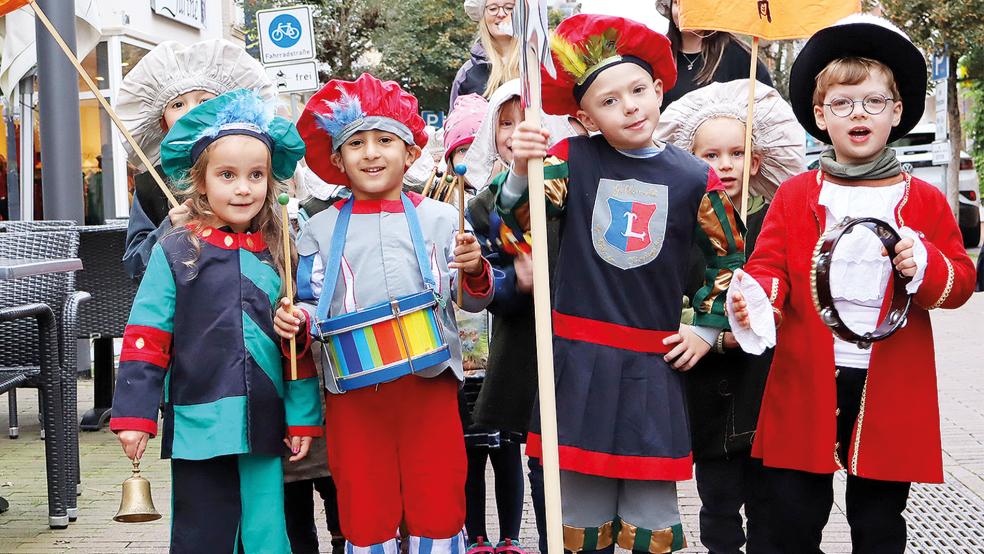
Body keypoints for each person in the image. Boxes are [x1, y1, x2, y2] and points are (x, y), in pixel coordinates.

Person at [495, 14, 746, 552]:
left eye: (636, 90)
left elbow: (729, 257)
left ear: (658, 89)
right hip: (576, 363)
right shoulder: (570, 161)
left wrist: (705, 327)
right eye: (608, 101)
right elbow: (518, 225)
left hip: (650, 369)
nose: (629, 106)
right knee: (578, 515)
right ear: (583, 117)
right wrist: (522, 168)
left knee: (649, 516)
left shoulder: (693, 177)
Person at [727, 15, 977, 552]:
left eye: (872, 101)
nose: (857, 113)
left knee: (880, 524)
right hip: (806, 375)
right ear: (821, 115)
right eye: (841, 103)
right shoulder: (795, 196)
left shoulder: (925, 200)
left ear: (897, 112)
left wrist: (926, 264)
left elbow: (960, 281)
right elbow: (770, 268)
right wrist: (756, 300)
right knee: (790, 519)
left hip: (889, 380)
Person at [278, 73, 495, 554]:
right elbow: (314, 302)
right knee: (364, 504)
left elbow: (471, 301)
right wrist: (298, 320)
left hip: (430, 387)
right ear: (337, 159)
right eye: (356, 143)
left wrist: (476, 268)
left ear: (411, 152)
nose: (371, 153)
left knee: (437, 500)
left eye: (384, 140)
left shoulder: (442, 220)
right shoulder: (319, 228)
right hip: (355, 396)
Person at [110, 89, 324, 552]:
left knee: (267, 533)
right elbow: (146, 335)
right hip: (196, 423)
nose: (243, 187)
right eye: (227, 175)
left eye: (256, 175)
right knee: (202, 534)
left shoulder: (278, 252)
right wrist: (135, 415)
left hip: (264, 420)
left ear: (271, 181)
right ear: (201, 181)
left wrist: (302, 418)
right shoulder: (175, 252)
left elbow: (295, 348)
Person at [655, 79, 805, 553]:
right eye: (711, 155)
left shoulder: (775, 222)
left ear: (755, 161)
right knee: (718, 505)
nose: (725, 165)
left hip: (765, 387)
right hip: (710, 394)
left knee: (769, 505)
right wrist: (712, 332)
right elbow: (671, 299)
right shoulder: (681, 229)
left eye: (737, 154)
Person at [115, 39, 274, 279]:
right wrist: (168, 229)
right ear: (163, 123)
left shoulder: (253, 169)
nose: (192, 112)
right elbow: (135, 267)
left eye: (205, 101)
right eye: (178, 104)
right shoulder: (152, 185)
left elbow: (278, 239)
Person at [655, 0, 773, 109]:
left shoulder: (741, 57)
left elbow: (768, 109)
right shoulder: (656, 55)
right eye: (678, 2)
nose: (686, 11)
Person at [451, 0, 519, 109]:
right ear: (483, 15)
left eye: (509, 8)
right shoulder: (468, 73)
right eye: (493, 9)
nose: (501, 14)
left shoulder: (538, 65)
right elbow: (456, 123)